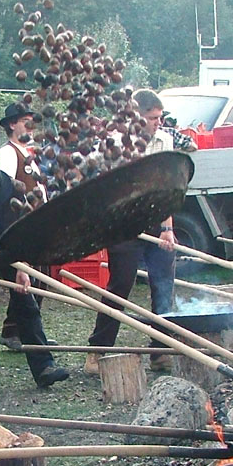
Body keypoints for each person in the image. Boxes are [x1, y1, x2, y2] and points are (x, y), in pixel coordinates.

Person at [84, 88, 192, 375]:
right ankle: (98, 351)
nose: (158, 122)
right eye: (152, 117)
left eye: (159, 117)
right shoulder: (114, 143)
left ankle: (159, 351)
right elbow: (100, 184)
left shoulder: (164, 140)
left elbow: (167, 190)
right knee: (121, 284)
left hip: (156, 219)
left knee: (163, 285)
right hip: (122, 223)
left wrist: (167, 228)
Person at [0, 102, 69, 388]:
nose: (29, 127)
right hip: (16, 238)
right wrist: (17, 256)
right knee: (26, 299)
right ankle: (44, 366)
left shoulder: (30, 158)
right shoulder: (7, 157)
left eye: (31, 122)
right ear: (11, 125)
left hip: (34, 237)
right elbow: (6, 205)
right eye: (24, 121)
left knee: (33, 294)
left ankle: (12, 332)